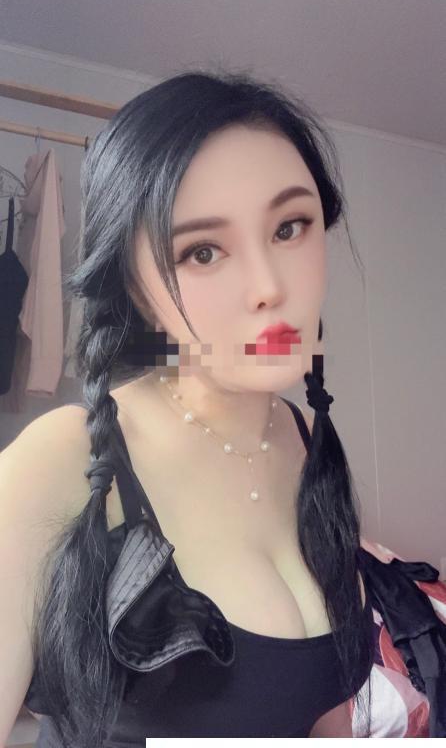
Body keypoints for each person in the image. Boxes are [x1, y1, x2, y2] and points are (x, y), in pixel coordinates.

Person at [0, 67, 375, 746]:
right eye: (203, 251)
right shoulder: (59, 460)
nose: (268, 286)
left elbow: (319, 715)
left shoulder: (305, 440)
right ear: (133, 287)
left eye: (290, 227)